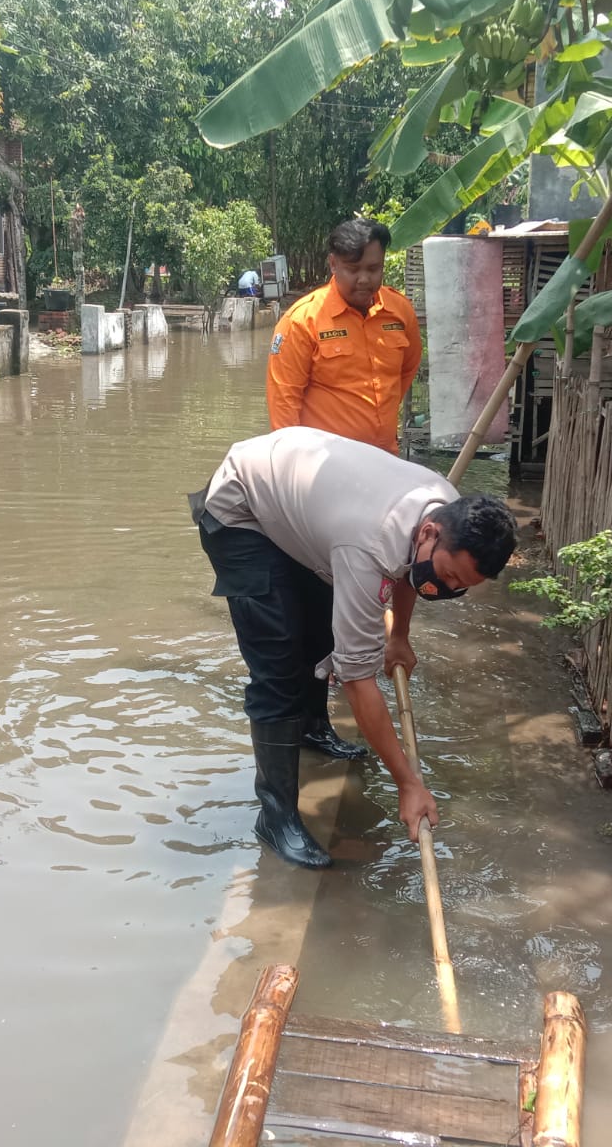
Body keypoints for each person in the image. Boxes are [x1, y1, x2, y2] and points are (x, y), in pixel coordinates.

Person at [190, 426, 517, 868]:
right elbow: (357, 676)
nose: (446, 588)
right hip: (242, 505)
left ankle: (309, 728)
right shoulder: (368, 546)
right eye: (449, 576)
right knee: (279, 664)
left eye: (460, 587)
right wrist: (408, 784)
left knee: (324, 630)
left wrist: (398, 637)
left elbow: (410, 570)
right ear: (430, 533)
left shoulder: (441, 499)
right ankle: (276, 816)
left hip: (303, 500)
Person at [265, 216, 424, 762]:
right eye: (354, 270)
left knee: (371, 588)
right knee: (313, 610)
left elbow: (406, 374)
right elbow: (283, 419)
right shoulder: (303, 322)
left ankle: (348, 681)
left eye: (375, 268)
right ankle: (312, 719)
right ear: (333, 265)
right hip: (322, 492)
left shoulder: (399, 313)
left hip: (384, 483)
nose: (365, 280)